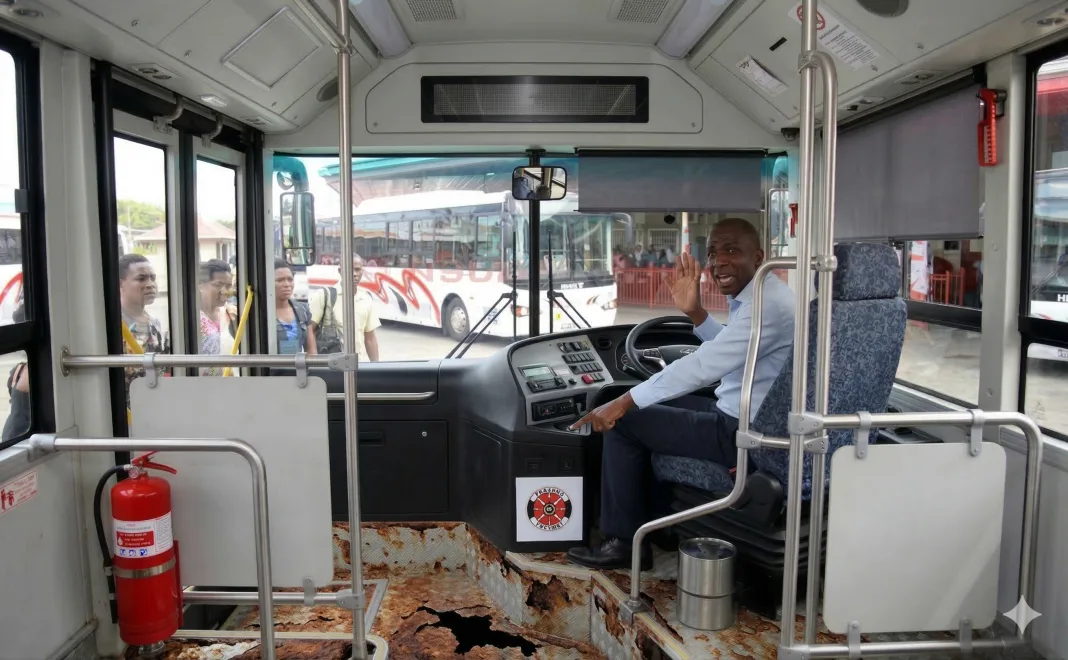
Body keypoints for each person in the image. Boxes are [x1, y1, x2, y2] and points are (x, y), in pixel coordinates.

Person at [565, 218, 797, 570]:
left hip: (741, 434)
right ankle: (656, 524)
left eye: (732, 251)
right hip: (745, 416)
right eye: (714, 252)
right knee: (656, 400)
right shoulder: (764, 296)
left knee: (627, 420)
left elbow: (705, 364)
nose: (719, 261)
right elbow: (730, 350)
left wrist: (623, 402)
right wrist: (695, 313)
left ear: (759, 256)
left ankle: (624, 543)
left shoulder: (766, 306)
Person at [309, 254, 381, 362]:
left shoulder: (366, 299)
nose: (354, 274)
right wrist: (314, 362)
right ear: (340, 271)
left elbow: (370, 338)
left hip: (357, 366)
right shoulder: (324, 296)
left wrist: (377, 368)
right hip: (329, 367)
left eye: (357, 270)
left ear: (362, 271)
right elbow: (309, 330)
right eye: (349, 269)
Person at [118, 254, 170, 399]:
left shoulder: (155, 323)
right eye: (141, 279)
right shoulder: (114, 324)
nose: (150, 284)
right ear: (121, 284)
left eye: (153, 278)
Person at [198, 259, 233, 376]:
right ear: (200, 285)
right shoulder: (191, 319)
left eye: (228, 286)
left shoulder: (231, 313)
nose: (225, 291)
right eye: (218, 285)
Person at [274, 258, 315, 354]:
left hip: (298, 368)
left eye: (290, 279)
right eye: (280, 280)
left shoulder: (303, 310)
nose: (287, 284)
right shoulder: (262, 312)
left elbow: (311, 350)